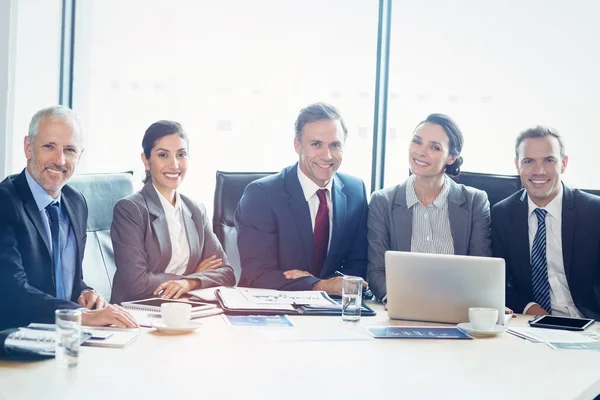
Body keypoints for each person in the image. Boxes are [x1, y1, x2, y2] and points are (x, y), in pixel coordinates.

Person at [0, 105, 138, 330]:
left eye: (70, 150)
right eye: (49, 146)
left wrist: (85, 293)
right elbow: (11, 291)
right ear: (28, 147)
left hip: (69, 336)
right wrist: (81, 316)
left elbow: (68, 282)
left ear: (80, 155)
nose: (60, 160)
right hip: (19, 339)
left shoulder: (76, 202)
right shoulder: (5, 202)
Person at [234, 102, 368, 295]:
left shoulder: (355, 191)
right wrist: (319, 285)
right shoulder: (261, 195)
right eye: (316, 144)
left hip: (332, 311)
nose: (327, 155)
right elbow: (258, 273)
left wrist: (334, 285)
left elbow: (359, 263)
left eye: (335, 145)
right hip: (269, 308)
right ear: (297, 145)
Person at [367, 113, 491, 302]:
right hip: (401, 310)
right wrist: (395, 300)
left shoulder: (475, 202)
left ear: (451, 158)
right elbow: (376, 270)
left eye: (434, 147)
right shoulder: (382, 201)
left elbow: (480, 270)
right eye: (417, 141)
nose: (421, 152)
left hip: (456, 309)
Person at [110, 120, 235, 303]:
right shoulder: (130, 210)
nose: (174, 165)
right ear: (146, 161)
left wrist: (189, 283)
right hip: (139, 311)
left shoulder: (196, 210)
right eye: (163, 155)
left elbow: (227, 273)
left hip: (186, 307)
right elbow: (136, 283)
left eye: (181, 154)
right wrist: (192, 276)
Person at [492, 126, 600, 319]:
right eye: (529, 161)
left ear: (564, 164)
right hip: (533, 324)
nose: (539, 171)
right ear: (517, 165)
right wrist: (532, 310)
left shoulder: (594, 212)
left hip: (590, 324)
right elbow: (493, 281)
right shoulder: (503, 213)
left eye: (549, 160)